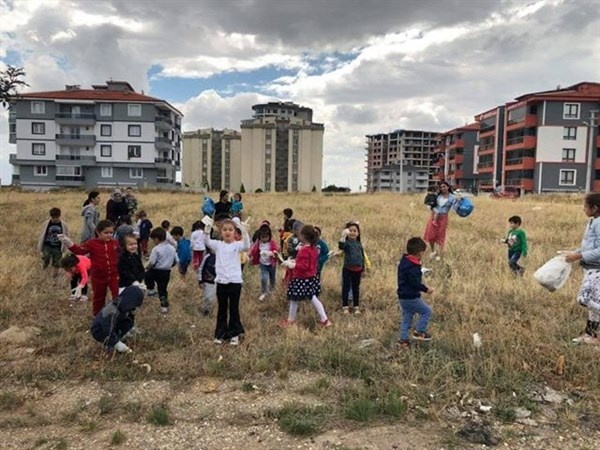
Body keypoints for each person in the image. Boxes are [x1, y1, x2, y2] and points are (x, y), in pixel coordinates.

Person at [203, 217, 250, 345]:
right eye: (225, 230)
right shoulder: (218, 245)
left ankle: (234, 334)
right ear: (220, 232)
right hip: (221, 282)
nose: (227, 232)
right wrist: (207, 230)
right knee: (222, 309)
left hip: (235, 282)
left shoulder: (237, 245)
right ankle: (220, 334)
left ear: (235, 232)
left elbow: (247, 245)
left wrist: (244, 231)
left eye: (230, 230)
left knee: (234, 308)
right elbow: (206, 241)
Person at [60, 220, 119, 316]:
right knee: (99, 298)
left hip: (114, 275)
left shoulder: (115, 243)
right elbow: (79, 251)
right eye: (106, 233)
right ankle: (97, 317)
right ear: (98, 232)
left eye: (111, 233)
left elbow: (123, 253)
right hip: (98, 277)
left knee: (117, 296)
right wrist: (68, 242)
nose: (109, 235)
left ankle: (118, 316)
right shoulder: (92, 243)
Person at [279, 225, 332, 328]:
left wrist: (292, 265)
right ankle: (324, 319)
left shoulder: (304, 250)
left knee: (294, 298)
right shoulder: (313, 249)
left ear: (303, 236)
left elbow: (303, 266)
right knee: (313, 298)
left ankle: (291, 320)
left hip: (301, 278)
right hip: (311, 278)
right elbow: (309, 263)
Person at [565, 193, 600, 345]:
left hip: (597, 268)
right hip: (590, 267)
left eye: (585, 206)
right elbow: (588, 246)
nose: (583, 209)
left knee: (584, 298)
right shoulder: (593, 222)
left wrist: (579, 256)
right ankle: (590, 335)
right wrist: (575, 252)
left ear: (595, 208)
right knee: (593, 306)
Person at [397, 237, 434, 349]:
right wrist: (426, 289)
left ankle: (403, 341)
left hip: (402, 297)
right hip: (411, 297)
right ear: (420, 253)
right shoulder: (413, 267)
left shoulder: (405, 261)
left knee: (407, 318)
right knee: (427, 311)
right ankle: (419, 331)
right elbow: (415, 283)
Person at [91, 285, 144, 353]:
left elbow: (129, 320)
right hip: (99, 330)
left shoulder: (125, 308)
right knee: (108, 334)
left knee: (127, 322)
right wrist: (116, 343)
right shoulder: (112, 309)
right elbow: (106, 326)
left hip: (113, 326)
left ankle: (118, 337)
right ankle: (109, 345)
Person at [145, 227, 178, 314]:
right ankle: (164, 307)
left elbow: (152, 261)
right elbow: (176, 260)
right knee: (162, 289)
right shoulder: (172, 248)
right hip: (166, 271)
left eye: (153, 240)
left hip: (156, 270)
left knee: (147, 275)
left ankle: (151, 289)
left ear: (156, 239)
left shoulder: (156, 249)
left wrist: (147, 268)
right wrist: (170, 265)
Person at [339, 221, 368, 315]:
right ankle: (345, 306)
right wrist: (343, 237)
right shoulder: (346, 243)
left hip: (358, 270)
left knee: (356, 288)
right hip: (347, 269)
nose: (352, 232)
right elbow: (341, 246)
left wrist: (363, 268)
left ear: (358, 233)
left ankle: (356, 307)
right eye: (350, 230)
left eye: (354, 231)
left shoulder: (359, 244)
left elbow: (362, 257)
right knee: (346, 287)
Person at [423, 181, 457, 259]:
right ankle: (433, 251)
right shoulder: (438, 195)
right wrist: (430, 207)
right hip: (434, 216)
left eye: (444, 186)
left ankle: (441, 253)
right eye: (441, 187)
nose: (442, 188)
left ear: (448, 187)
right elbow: (431, 202)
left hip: (443, 218)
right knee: (431, 234)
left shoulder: (452, 197)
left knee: (440, 235)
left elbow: (455, 207)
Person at [38, 207, 70, 279]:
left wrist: (66, 245)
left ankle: (54, 275)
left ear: (59, 216)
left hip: (57, 246)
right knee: (46, 257)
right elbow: (42, 233)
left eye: (56, 217)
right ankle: (44, 268)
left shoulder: (63, 225)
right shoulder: (46, 223)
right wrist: (41, 244)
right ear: (50, 216)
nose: (55, 219)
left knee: (57, 261)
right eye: (53, 217)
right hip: (47, 245)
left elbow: (67, 235)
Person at [249, 225, 279, 301]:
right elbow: (253, 250)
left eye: (266, 237)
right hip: (263, 264)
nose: (265, 239)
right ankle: (264, 292)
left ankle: (272, 290)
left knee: (272, 278)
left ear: (269, 236)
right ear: (260, 237)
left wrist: (272, 253)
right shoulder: (259, 243)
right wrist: (250, 255)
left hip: (272, 264)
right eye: (263, 237)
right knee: (264, 278)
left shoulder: (272, 243)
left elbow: (276, 250)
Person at [197, 249, 217, 316]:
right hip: (208, 282)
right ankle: (206, 311)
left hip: (219, 282)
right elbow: (201, 268)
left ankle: (212, 312)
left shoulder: (223, 256)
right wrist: (200, 281)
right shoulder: (208, 256)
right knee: (208, 298)